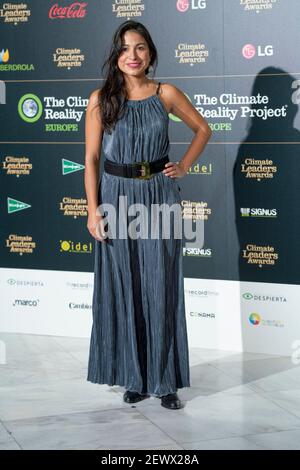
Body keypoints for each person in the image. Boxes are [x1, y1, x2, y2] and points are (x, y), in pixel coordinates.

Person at [84, 20, 212, 410]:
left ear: (150, 53)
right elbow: (90, 160)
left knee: (161, 287)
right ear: (116, 56)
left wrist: (185, 165)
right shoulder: (101, 99)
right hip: (115, 196)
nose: (133, 56)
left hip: (158, 195)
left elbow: (203, 129)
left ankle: (165, 380)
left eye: (140, 48)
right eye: (125, 49)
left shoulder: (166, 93)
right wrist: (93, 211)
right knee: (126, 287)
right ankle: (134, 377)